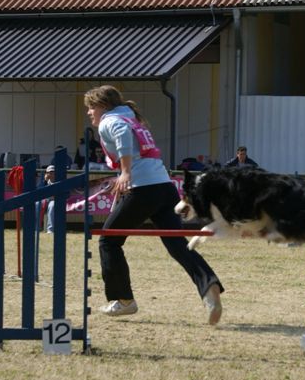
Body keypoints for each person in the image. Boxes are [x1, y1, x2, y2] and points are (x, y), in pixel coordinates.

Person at [84, 85, 223, 323]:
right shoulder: (131, 119)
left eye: (91, 107)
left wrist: (126, 173)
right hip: (164, 187)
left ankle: (123, 300)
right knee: (177, 245)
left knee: (108, 240)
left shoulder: (111, 120)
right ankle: (209, 287)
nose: (89, 113)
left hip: (142, 187)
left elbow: (122, 139)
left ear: (102, 106)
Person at [37, 165, 56, 233]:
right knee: (37, 204)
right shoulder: (44, 182)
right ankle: (37, 228)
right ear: (46, 173)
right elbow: (38, 191)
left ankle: (50, 229)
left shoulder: (59, 181)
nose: (51, 174)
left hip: (54, 200)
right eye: (49, 172)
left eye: (53, 172)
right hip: (44, 200)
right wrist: (45, 181)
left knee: (52, 206)